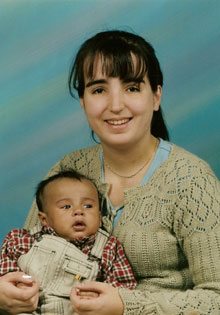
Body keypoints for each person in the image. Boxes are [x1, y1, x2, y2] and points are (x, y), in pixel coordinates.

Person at [1, 29, 220, 314]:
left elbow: (217, 297)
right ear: (83, 102)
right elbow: (23, 255)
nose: (116, 106)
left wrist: (125, 305)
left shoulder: (193, 181)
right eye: (99, 90)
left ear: (156, 96)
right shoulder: (68, 169)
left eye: (131, 87)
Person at [0, 170, 136, 314]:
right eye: (66, 206)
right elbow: (5, 274)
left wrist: (102, 297)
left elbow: (124, 288)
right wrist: (13, 288)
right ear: (44, 219)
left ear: (99, 215)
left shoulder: (107, 248)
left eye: (88, 206)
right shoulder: (22, 240)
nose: (79, 211)